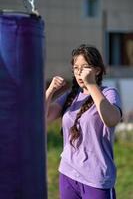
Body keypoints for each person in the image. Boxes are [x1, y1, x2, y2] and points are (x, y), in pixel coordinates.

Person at [46, 44, 122, 199]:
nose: (79, 72)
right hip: (68, 174)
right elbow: (43, 118)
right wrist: (50, 90)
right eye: (76, 68)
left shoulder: (109, 93)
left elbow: (112, 120)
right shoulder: (71, 95)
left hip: (96, 179)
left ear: (98, 70)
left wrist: (91, 84)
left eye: (85, 67)